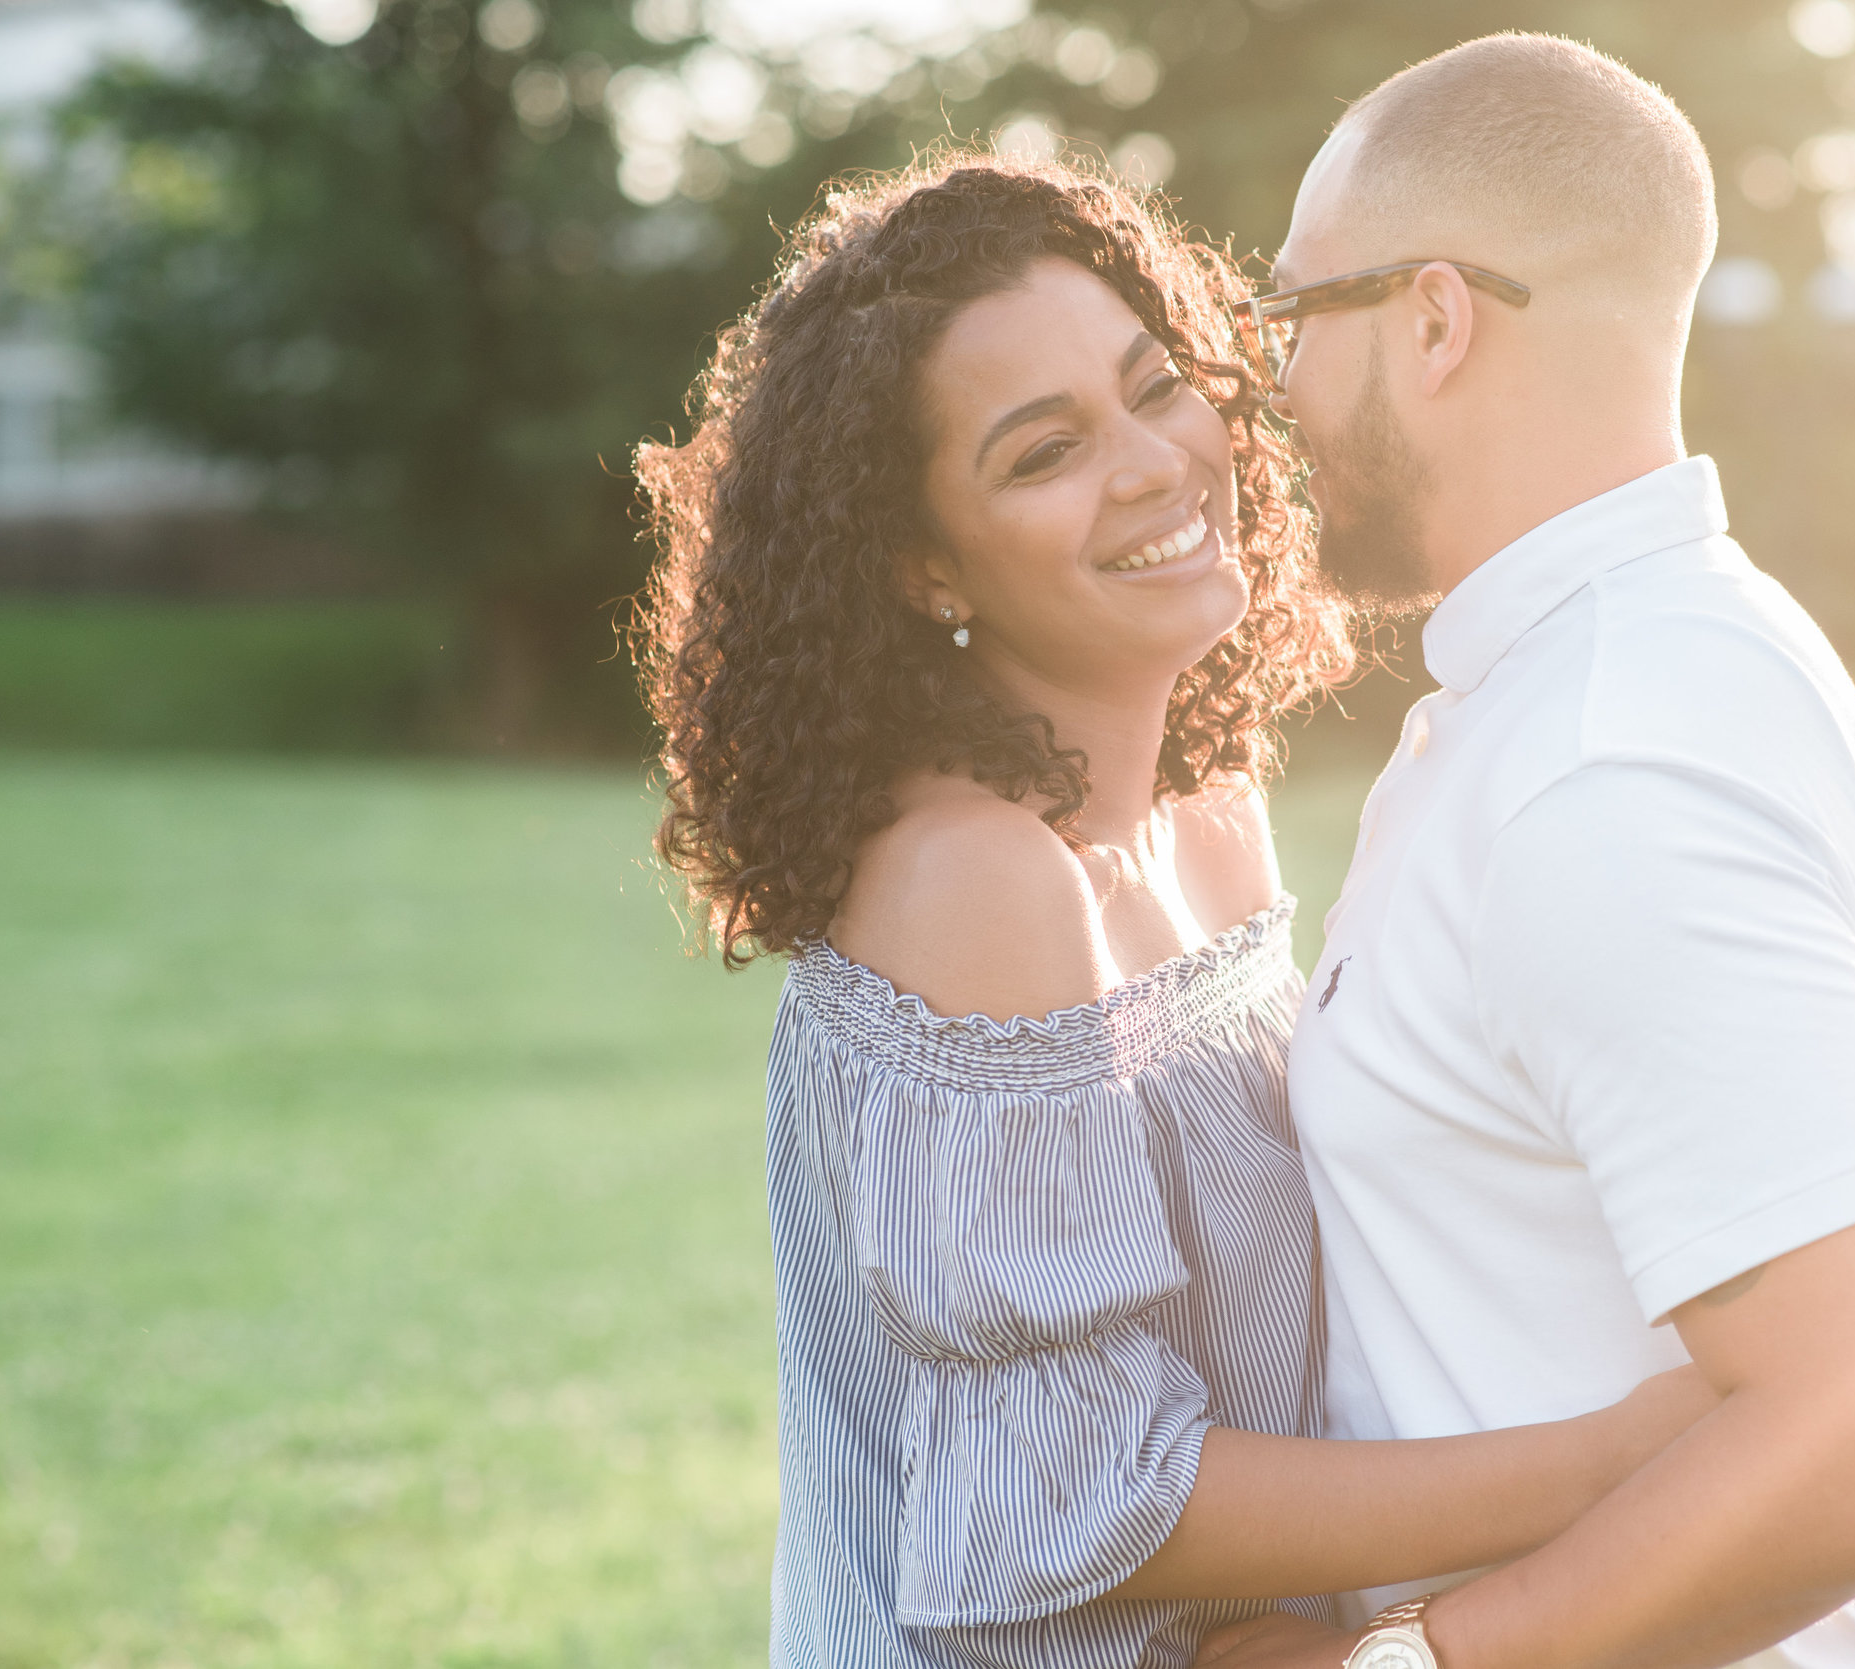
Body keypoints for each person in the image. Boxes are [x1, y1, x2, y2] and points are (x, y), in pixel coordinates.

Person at [631, 153, 1716, 1669]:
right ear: (923, 563)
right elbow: (1078, 1504)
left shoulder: (1209, 808)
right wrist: (1611, 1462)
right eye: (1041, 453)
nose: (1151, 463)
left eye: (1156, 385)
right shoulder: (975, 877)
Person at [1205, 33, 1855, 1669]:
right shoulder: (1583, 685)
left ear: (1434, 318)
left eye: (1295, 317)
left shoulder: (1608, 765)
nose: (1272, 390)